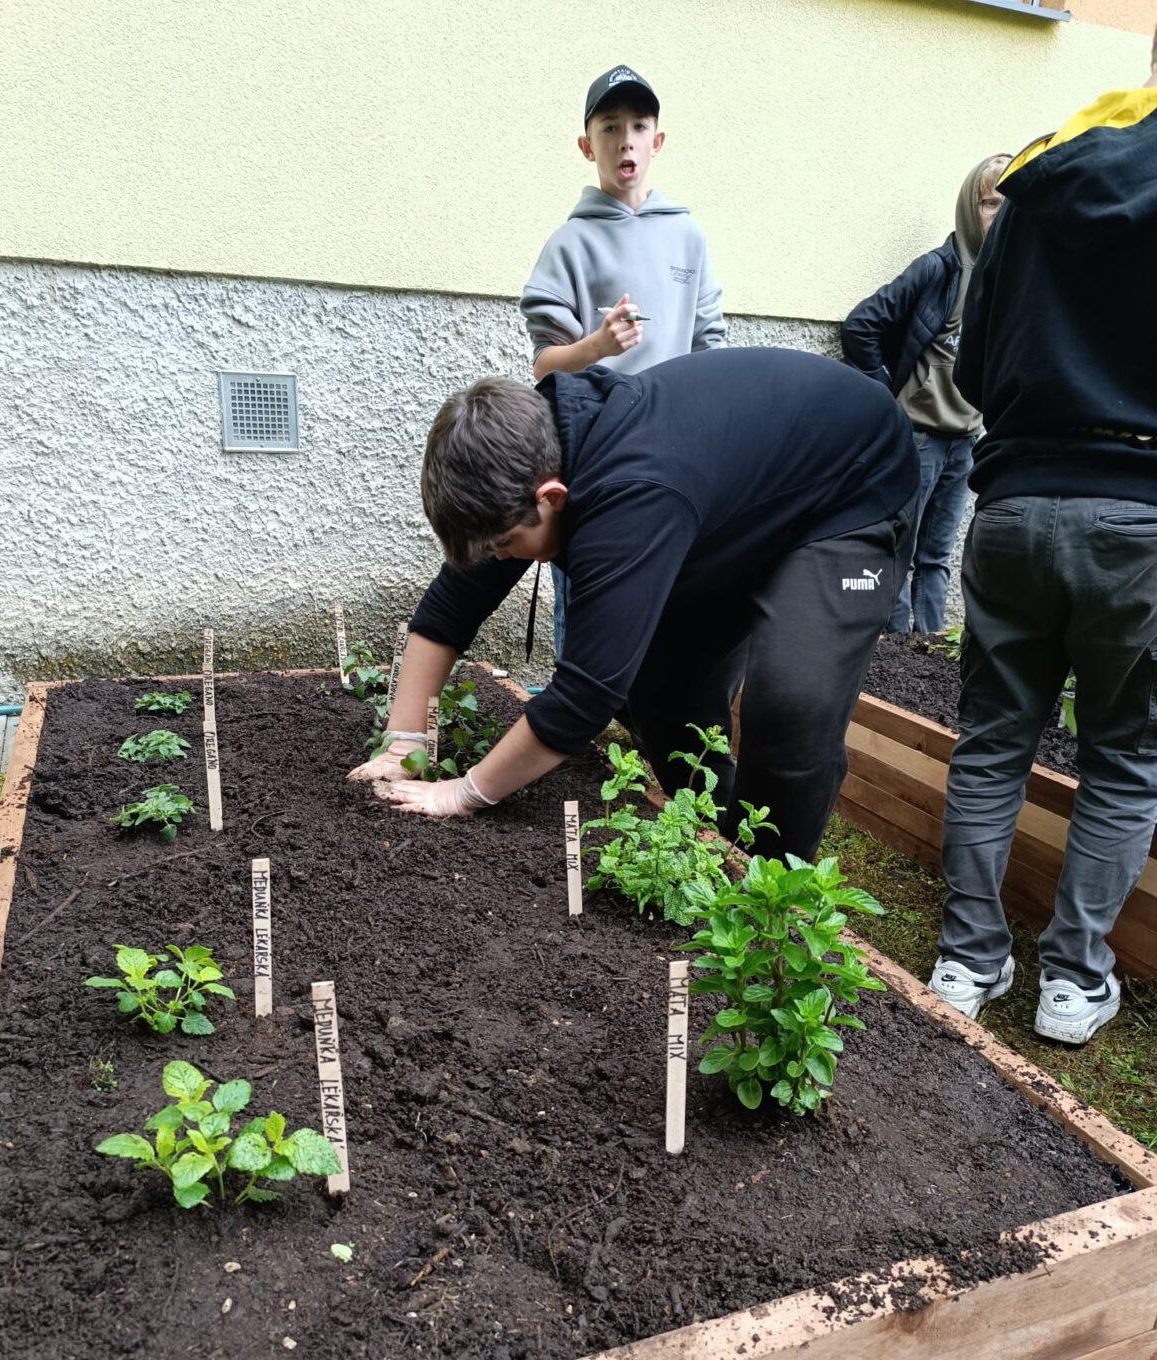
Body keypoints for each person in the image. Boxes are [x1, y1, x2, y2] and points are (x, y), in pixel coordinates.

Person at [348, 348, 919, 861]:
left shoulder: (630, 495)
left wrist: (462, 792)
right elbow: (448, 612)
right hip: (728, 506)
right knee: (659, 689)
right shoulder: (528, 452)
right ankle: (714, 842)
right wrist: (406, 744)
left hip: (848, 487)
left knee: (792, 701)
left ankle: (769, 894)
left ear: (552, 498)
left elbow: (585, 696)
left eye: (504, 546)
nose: (501, 557)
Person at [927, 39, 1157, 1045]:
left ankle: (966, 961)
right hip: (1140, 518)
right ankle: (1072, 982)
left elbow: (973, 369)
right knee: (1126, 756)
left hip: (1016, 506)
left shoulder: (1038, 178)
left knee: (992, 739)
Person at [520, 65, 725, 660]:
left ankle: (643, 729)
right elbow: (545, 369)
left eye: (638, 126)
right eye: (610, 127)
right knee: (586, 593)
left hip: (677, 456)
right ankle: (573, 726)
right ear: (588, 147)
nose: (625, 140)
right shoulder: (568, 245)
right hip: (592, 458)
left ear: (657, 141)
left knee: (669, 598)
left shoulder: (689, 237)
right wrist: (597, 348)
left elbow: (710, 348)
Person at [841, 154, 1011, 633]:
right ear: (967, 206)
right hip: (918, 439)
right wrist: (885, 403)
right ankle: (891, 655)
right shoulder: (939, 268)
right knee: (900, 550)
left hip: (966, 441)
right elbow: (861, 326)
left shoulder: (1007, 278)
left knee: (936, 558)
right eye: (988, 203)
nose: (998, 215)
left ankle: (928, 650)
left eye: (1008, 203)